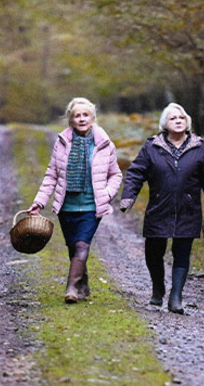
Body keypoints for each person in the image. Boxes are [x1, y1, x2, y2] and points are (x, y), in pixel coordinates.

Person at [120, 102, 204, 314]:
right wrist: (128, 197)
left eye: (182, 118)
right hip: (159, 207)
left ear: (187, 121)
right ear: (165, 123)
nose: (178, 121)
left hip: (188, 208)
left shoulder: (199, 147)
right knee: (153, 252)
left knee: (182, 252)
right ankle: (158, 288)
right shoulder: (152, 146)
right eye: (173, 118)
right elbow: (136, 173)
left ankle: (176, 297)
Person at [29, 97, 122, 304]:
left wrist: (106, 195)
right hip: (67, 206)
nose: (81, 119)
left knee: (82, 245)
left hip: (91, 205)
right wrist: (39, 202)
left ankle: (71, 287)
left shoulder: (104, 144)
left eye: (85, 115)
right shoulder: (62, 143)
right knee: (73, 247)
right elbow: (51, 175)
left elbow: (116, 175)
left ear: (93, 118)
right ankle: (83, 281)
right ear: (70, 120)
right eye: (76, 116)